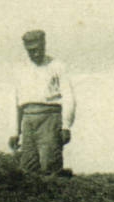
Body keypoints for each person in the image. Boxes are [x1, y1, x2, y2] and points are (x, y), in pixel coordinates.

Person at [10, 29, 76, 175]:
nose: (36, 54)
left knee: (50, 165)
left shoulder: (57, 65)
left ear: (44, 45)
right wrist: (15, 132)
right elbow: (17, 102)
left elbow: (69, 97)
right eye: (31, 51)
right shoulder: (21, 69)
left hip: (50, 119)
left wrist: (66, 126)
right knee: (28, 168)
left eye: (39, 49)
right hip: (28, 120)